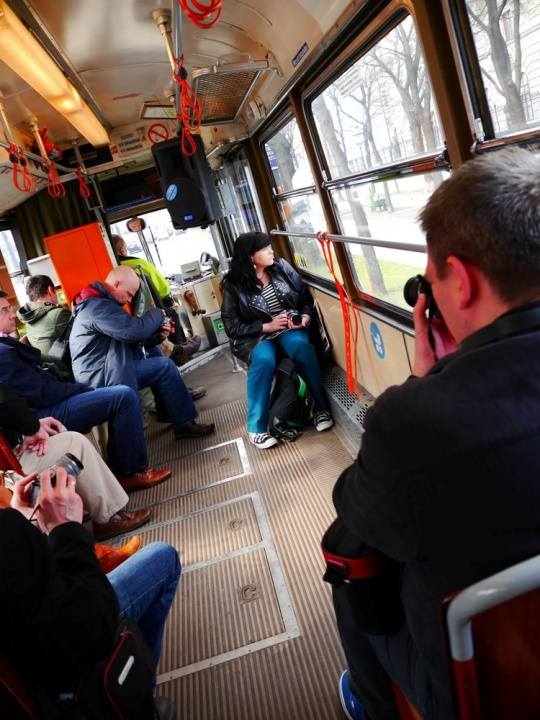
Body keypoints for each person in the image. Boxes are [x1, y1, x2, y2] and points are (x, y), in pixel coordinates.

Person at [329, 148, 540, 720]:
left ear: (462, 283)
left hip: (487, 691)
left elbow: (356, 508)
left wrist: (424, 382)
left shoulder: (414, 423)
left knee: (350, 569)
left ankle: (375, 707)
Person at [1, 466, 180, 717]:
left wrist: (23, 525)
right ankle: (138, 702)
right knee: (164, 558)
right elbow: (92, 623)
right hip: (63, 675)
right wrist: (65, 529)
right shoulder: (7, 532)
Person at [0, 291, 170, 491]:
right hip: (42, 413)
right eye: (4, 310)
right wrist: (79, 389)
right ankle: (130, 472)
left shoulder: (7, 344)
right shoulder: (3, 354)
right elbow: (41, 393)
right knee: (123, 396)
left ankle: (123, 467)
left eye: (10, 308)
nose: (12, 314)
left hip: (44, 404)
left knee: (118, 393)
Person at [69, 265, 215, 440]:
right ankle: (184, 423)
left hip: (106, 367)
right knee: (165, 366)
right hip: (99, 377)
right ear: (116, 283)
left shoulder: (99, 303)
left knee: (154, 353)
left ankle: (170, 412)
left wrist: (158, 336)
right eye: (129, 294)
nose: (129, 300)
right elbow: (134, 331)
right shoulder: (97, 307)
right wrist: (159, 313)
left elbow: (127, 341)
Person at [221, 231, 333, 449]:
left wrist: (305, 316)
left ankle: (321, 408)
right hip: (256, 336)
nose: (271, 251)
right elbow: (232, 327)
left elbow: (304, 298)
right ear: (251, 257)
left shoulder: (281, 268)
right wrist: (267, 326)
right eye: (265, 249)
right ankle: (256, 428)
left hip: (289, 328)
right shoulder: (233, 285)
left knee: (300, 346)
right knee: (264, 361)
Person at [0, 382, 152, 540]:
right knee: (74, 443)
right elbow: (6, 398)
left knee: (59, 431)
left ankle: (83, 506)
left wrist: (30, 426)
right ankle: (108, 517)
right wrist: (32, 426)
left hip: (15, 442)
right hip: (8, 469)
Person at [111, 233, 201, 363]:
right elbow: (163, 288)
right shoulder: (139, 264)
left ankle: (176, 349)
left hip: (130, 317)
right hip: (149, 311)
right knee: (172, 313)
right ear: (122, 250)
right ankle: (180, 351)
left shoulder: (112, 268)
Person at [17, 274, 71, 359]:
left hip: (47, 366)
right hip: (66, 366)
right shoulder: (60, 314)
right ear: (50, 290)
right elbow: (80, 341)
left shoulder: (29, 319)